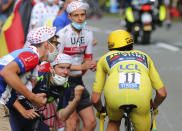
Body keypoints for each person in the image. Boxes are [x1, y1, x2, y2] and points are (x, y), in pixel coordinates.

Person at [91, 30, 167, 131]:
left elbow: (95, 99)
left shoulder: (104, 59)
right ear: (132, 45)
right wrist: (154, 106)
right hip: (141, 97)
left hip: (115, 97)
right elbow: (162, 93)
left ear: (111, 48)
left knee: (114, 121)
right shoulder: (145, 57)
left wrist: (101, 110)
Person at [0, 26, 59, 130]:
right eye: (55, 43)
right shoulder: (32, 55)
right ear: (46, 43)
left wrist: (25, 108)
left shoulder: (27, 55)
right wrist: (33, 97)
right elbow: (6, 72)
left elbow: (11, 88)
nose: (57, 48)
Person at [9, 53, 84, 131]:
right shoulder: (37, 77)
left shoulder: (66, 87)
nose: (66, 72)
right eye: (61, 68)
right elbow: (9, 93)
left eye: (68, 68)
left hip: (32, 115)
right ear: (51, 69)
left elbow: (62, 117)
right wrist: (23, 111)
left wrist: (77, 99)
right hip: (12, 111)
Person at [56, 1, 97, 131]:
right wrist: (81, 67)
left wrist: (91, 65)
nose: (80, 18)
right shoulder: (62, 35)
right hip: (64, 83)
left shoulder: (88, 34)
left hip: (78, 81)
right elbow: (56, 64)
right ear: (69, 17)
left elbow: (87, 58)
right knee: (72, 124)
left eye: (82, 15)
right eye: (76, 15)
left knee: (91, 123)